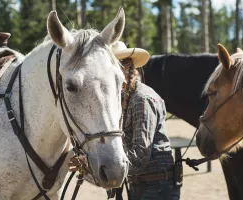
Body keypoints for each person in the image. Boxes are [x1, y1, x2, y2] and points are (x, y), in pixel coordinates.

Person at [68, 41, 180, 200]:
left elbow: (140, 155)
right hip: (142, 185)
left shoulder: (142, 99)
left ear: (123, 69)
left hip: (157, 187)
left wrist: (89, 165)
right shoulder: (124, 99)